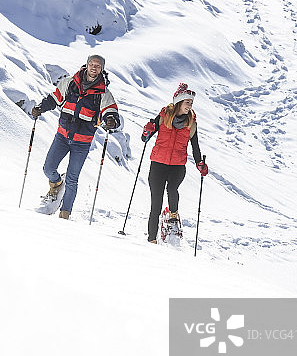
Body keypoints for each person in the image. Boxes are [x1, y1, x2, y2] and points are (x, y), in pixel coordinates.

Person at [31, 55, 121, 219]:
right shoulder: (70, 82)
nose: (94, 67)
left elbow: (111, 111)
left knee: (72, 179)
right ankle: (57, 184)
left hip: (82, 143)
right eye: (92, 64)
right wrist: (40, 108)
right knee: (48, 168)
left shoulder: (103, 93)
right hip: (62, 136)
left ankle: (65, 214)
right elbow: (54, 98)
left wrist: (110, 120)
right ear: (87, 65)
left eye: (98, 65)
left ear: (102, 69)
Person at [141, 82, 209, 242]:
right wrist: (147, 130)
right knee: (156, 204)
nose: (190, 106)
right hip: (158, 165)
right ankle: (152, 239)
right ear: (179, 102)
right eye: (187, 102)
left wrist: (199, 163)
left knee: (172, 189)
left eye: (191, 103)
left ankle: (173, 216)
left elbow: (195, 145)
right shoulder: (164, 117)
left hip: (177, 166)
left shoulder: (191, 123)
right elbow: (145, 138)